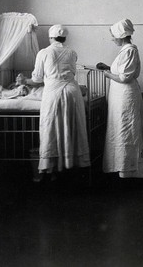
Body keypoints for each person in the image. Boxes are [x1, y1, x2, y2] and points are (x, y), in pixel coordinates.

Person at [21, 24, 90, 179]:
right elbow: (70, 72)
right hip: (72, 92)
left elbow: (37, 79)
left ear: (50, 37)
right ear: (64, 38)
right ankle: (72, 166)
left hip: (53, 93)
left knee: (51, 127)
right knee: (73, 126)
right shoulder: (72, 52)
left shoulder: (44, 53)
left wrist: (24, 80)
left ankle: (52, 168)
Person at [97, 19, 143, 178]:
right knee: (120, 129)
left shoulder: (130, 51)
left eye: (114, 36)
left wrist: (107, 74)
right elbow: (122, 71)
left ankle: (129, 170)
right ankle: (122, 167)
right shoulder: (125, 51)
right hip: (119, 96)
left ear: (121, 36)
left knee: (126, 129)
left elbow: (125, 77)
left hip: (125, 96)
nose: (112, 39)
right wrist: (108, 67)